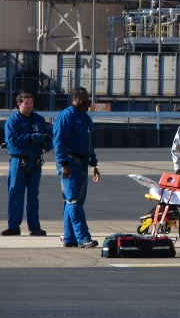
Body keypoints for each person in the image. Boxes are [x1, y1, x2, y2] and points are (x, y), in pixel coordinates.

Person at [53, 87, 100, 248]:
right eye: (84, 98)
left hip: (82, 163)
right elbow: (58, 141)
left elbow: (89, 143)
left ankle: (69, 237)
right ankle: (83, 237)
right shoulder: (66, 116)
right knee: (74, 200)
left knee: (72, 201)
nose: (88, 100)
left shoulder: (86, 118)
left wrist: (93, 163)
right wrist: (64, 164)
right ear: (74, 98)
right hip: (70, 162)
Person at [1, 93, 52, 236]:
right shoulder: (13, 121)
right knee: (15, 193)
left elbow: (47, 136)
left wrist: (47, 143)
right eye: (26, 103)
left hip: (35, 161)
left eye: (31, 103)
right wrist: (30, 137)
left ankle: (34, 227)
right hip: (19, 160)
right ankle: (13, 226)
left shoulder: (40, 120)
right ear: (19, 104)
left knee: (33, 195)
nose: (29, 106)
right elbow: (12, 140)